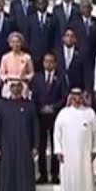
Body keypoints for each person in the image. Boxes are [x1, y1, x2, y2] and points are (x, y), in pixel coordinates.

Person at [0, 78, 39, 191]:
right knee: (6, 176)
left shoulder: (29, 105)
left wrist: (35, 145)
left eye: (19, 86)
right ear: (9, 88)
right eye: (13, 86)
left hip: (25, 147)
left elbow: (35, 127)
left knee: (26, 176)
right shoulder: (1, 105)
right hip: (6, 147)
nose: (16, 89)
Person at [51, 89, 96, 191]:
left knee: (85, 180)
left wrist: (95, 149)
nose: (77, 100)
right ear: (70, 98)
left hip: (84, 154)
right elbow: (57, 133)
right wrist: (58, 150)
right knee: (68, 180)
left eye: (79, 97)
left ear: (82, 98)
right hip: (67, 155)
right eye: (74, 97)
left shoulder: (90, 113)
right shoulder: (63, 113)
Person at [31, 53, 66, 184]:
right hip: (40, 116)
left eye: (51, 62)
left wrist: (53, 107)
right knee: (41, 146)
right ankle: (43, 174)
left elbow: (64, 96)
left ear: (55, 64)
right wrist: (41, 107)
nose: (49, 64)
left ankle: (55, 174)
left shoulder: (61, 78)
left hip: (55, 115)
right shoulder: (38, 78)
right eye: (46, 61)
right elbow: (34, 96)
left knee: (56, 144)